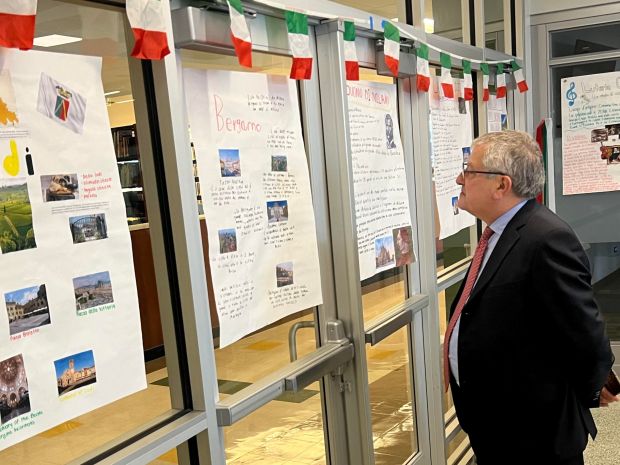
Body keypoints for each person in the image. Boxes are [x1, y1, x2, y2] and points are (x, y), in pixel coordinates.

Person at [445, 130, 617, 465]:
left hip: (533, 434)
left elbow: (584, 331)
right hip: (500, 425)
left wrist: (592, 388)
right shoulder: (498, 232)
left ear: (501, 185)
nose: (458, 178)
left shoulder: (546, 239)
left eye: (469, 170)